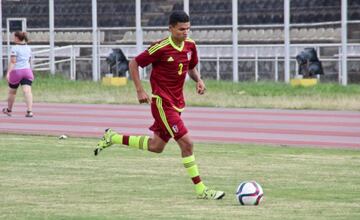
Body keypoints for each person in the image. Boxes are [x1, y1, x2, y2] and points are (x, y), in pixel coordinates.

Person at [94, 11, 225, 200]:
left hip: (177, 104)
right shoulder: (161, 48)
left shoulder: (190, 46)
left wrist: (199, 80)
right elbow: (134, 63)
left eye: (188, 28)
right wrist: (140, 90)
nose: (185, 32)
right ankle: (201, 190)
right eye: (181, 29)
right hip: (163, 104)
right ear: (171, 28)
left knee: (156, 146)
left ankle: (112, 137)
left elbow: (190, 67)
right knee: (187, 144)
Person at [2, 31, 34, 117]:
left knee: (12, 92)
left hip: (17, 71)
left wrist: (8, 73)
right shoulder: (28, 48)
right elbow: (29, 60)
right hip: (27, 71)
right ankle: (29, 111)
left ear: (17, 38)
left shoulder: (15, 48)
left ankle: (9, 110)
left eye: (14, 37)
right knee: (27, 91)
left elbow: (13, 62)